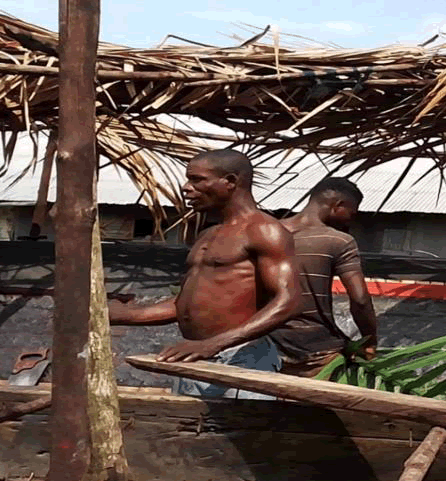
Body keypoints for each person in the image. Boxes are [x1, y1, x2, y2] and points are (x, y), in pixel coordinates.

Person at [108, 149, 301, 399]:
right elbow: (185, 304)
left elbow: (289, 300)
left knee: (243, 426)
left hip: (240, 360)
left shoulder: (264, 230)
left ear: (230, 181)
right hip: (192, 358)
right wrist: (122, 315)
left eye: (197, 180)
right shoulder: (207, 235)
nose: (186, 188)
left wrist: (213, 344)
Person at [272, 177, 377, 377]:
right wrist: (370, 341)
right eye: (352, 213)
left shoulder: (266, 233)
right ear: (338, 205)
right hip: (317, 352)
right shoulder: (339, 241)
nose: (350, 220)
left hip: (265, 346)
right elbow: (360, 299)